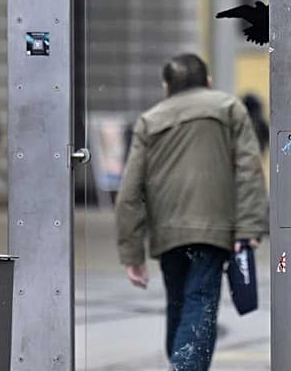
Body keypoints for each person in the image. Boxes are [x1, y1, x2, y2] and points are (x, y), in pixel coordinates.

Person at [115, 54, 269, 371]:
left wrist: (132, 253)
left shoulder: (150, 121)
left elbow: (130, 191)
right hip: (213, 230)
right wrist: (248, 229)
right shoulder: (229, 109)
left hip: (168, 232)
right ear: (208, 82)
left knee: (179, 305)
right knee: (200, 304)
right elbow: (249, 170)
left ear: (166, 87)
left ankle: (182, 365)